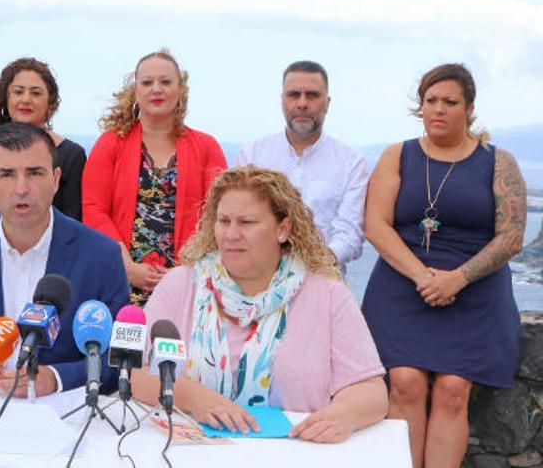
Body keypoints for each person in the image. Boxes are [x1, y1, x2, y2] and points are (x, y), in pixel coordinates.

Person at [131, 166, 388, 443]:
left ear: (283, 229)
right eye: (224, 221)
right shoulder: (181, 285)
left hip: (295, 453)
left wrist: (342, 415)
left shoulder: (327, 294)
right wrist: (194, 397)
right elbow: (139, 375)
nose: (231, 234)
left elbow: (370, 391)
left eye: (247, 223)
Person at [362, 64, 525, 467]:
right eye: (430, 101)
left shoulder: (498, 162)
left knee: (454, 388)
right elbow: (375, 225)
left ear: (469, 108)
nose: (438, 109)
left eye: (449, 102)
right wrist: (423, 276)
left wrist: (457, 279)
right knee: (404, 382)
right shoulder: (397, 155)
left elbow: (511, 236)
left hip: (475, 289)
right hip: (404, 285)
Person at [0, 122, 129, 395]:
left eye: (35, 173)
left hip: (62, 412)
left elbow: (117, 358)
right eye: (6, 174)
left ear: (55, 179)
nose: (21, 188)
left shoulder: (101, 255)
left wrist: (54, 378)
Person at [83, 48, 227, 306]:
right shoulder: (111, 143)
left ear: (180, 90)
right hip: (121, 279)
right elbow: (94, 209)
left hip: (189, 283)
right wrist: (126, 266)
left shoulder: (207, 147)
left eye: (166, 82)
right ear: (136, 91)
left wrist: (184, 273)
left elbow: (219, 215)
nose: (156, 89)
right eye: (147, 83)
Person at [234, 61, 368, 271]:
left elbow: (350, 234)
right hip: (257, 281)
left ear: (328, 102)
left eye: (312, 95)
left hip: (323, 281)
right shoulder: (252, 154)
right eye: (294, 94)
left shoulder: (350, 162)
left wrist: (314, 265)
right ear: (282, 100)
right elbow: (238, 219)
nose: (302, 103)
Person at [0, 57, 85, 231]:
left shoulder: (72, 156)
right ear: (6, 98)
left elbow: (72, 221)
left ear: (51, 103)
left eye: (36, 93)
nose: (26, 99)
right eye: (18, 92)